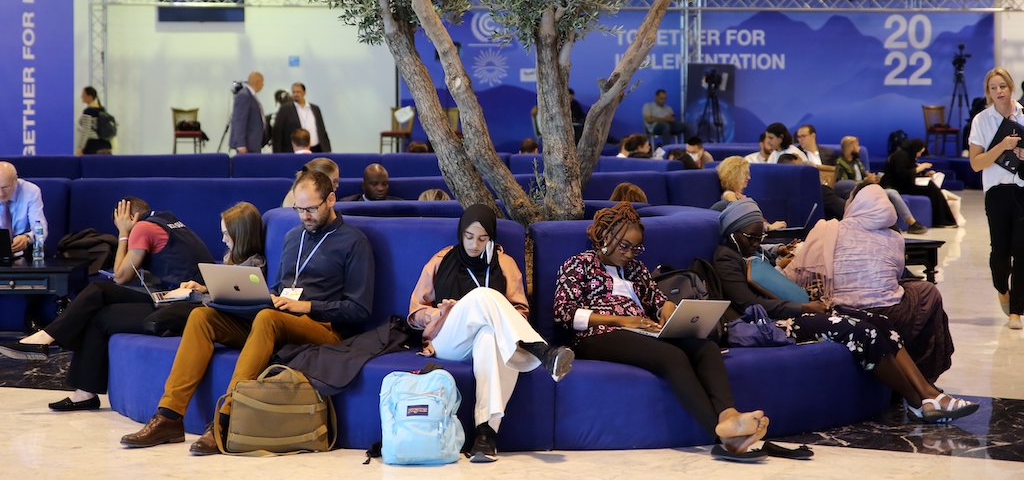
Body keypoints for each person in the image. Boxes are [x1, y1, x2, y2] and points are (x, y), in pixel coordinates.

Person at [120, 170, 375, 455]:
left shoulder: (354, 241)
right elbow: (281, 287)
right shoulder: (293, 237)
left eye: (312, 208)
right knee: (203, 317)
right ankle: (169, 416)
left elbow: (359, 309)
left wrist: (307, 307)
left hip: (324, 328)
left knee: (268, 318)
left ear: (331, 199)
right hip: (279, 319)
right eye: (299, 209)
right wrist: (256, 298)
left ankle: (226, 419)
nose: (305, 216)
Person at [713, 199, 977, 424]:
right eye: (752, 237)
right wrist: (803, 306)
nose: (757, 242)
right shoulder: (726, 258)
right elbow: (749, 305)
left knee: (880, 323)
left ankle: (929, 392)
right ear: (733, 233)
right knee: (861, 333)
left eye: (761, 235)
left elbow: (767, 265)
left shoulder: (752, 251)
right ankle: (917, 402)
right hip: (774, 323)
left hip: (794, 313)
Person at [553, 202, 769, 456]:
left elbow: (657, 302)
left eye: (636, 248)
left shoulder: (636, 270)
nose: (630, 254)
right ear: (605, 236)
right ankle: (723, 438)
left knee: (705, 347)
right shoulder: (580, 264)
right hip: (598, 335)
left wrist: (667, 309)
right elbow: (564, 313)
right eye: (625, 246)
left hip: (643, 331)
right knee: (672, 356)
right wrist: (621, 320)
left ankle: (729, 414)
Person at [0, 197, 218, 411]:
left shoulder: (142, 227)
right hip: (179, 300)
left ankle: (45, 339)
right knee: (99, 310)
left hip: (184, 307)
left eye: (118, 219)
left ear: (129, 216)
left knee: (98, 291)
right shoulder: (168, 220)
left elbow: (121, 276)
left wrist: (123, 233)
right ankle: (83, 393)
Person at [408, 204, 573, 463]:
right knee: (483, 295)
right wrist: (441, 313)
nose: (474, 245)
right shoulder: (441, 260)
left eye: (483, 239)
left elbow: (520, 311)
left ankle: (485, 435)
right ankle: (541, 351)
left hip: (493, 338)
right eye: (469, 237)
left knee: (488, 336)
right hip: (450, 337)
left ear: (491, 238)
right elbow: (415, 312)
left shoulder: (505, 263)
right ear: (461, 234)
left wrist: (493, 316)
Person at [784, 184, 954, 381]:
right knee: (926, 292)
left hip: (841, 310)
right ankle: (924, 375)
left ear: (855, 203)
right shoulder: (895, 238)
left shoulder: (828, 230)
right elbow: (896, 277)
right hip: (892, 313)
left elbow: (795, 274)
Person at [969, 68, 1024, 329]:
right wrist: (1002, 146)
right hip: (997, 192)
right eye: (993, 87)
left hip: (1023, 189)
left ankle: (1016, 311)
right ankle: (1002, 289)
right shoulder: (981, 120)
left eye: (1002, 85)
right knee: (1000, 252)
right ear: (988, 92)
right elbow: (976, 164)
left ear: (1011, 87)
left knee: (1022, 251)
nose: (999, 91)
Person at [835, 136, 928, 234]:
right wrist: (865, 182)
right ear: (850, 147)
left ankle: (906, 224)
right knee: (892, 193)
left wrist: (872, 177)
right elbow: (845, 184)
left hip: (868, 188)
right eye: (857, 145)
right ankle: (911, 223)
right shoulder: (840, 163)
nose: (859, 149)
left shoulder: (857, 161)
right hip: (857, 190)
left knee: (892, 193)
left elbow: (865, 174)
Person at [881, 138, 956, 228]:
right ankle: (941, 220)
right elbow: (901, 175)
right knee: (931, 188)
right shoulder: (900, 156)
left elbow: (911, 170)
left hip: (905, 184)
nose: (920, 154)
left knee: (931, 187)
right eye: (920, 152)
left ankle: (942, 219)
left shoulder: (909, 156)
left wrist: (925, 174)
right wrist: (921, 168)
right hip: (897, 185)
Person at [715, 156, 786, 230]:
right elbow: (746, 221)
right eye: (746, 174)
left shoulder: (738, 195)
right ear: (735, 175)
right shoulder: (729, 195)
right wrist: (769, 227)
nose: (749, 177)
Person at [0, 161, 47, 258]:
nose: (1, 193)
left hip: (23, 252)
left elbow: (40, 228)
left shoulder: (31, 191)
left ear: (15, 181)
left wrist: (28, 237)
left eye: (5, 187)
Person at [271, 82, 332, 153]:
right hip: (295, 151)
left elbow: (322, 130)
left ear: (304, 93)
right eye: (293, 92)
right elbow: (277, 132)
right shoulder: (285, 109)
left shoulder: (315, 108)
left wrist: (328, 149)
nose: (295, 94)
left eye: (298, 92)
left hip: (317, 149)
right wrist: (277, 153)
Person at [230, 71, 268, 154]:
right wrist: (241, 145)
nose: (263, 85)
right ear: (257, 82)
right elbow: (239, 121)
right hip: (248, 145)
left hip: (254, 144)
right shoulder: (244, 96)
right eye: (262, 82)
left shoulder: (251, 96)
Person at [75, 86, 112, 155]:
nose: (81, 96)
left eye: (83, 94)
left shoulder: (88, 111)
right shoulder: (102, 110)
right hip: (106, 145)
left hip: (92, 145)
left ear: (90, 97)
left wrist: (80, 148)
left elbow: (86, 130)